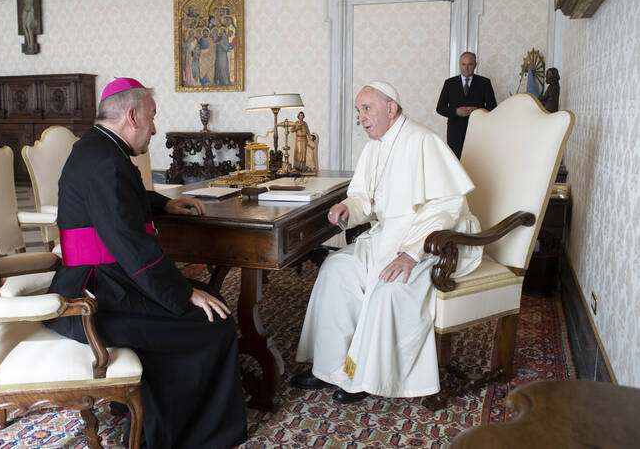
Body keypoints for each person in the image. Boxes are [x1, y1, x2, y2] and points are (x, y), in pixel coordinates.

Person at [45, 77, 247, 448]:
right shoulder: (105, 160)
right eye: (152, 118)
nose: (155, 129)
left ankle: (150, 407)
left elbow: (125, 200)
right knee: (211, 319)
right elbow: (128, 241)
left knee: (206, 299)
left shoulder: (98, 149)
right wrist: (182, 292)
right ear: (132, 115)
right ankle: (181, 432)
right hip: (93, 298)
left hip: (102, 280)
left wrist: (164, 204)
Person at [292, 81, 483, 404]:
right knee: (335, 269)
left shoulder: (423, 140)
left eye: (367, 109)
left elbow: (446, 207)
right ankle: (330, 367)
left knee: (388, 286)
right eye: (358, 111)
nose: (361, 117)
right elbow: (362, 198)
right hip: (387, 235)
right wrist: (347, 208)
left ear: (391, 108)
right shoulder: (375, 146)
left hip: (435, 241)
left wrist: (411, 254)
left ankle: (367, 376)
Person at [436, 52, 497, 158]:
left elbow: (493, 107)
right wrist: (455, 111)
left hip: (477, 132)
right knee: (456, 164)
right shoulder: (449, 83)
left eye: (470, 64)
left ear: (475, 65)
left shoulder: (484, 83)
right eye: (463, 64)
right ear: (459, 65)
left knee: (477, 164)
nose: (466, 68)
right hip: (455, 132)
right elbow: (440, 108)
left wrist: (477, 110)